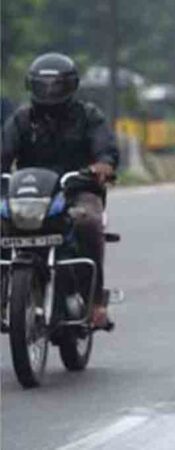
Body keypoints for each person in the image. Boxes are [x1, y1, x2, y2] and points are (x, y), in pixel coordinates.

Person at [2, 53, 119, 328]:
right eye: (44, 85)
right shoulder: (21, 120)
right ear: (32, 87)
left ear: (71, 86)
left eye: (57, 85)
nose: (50, 92)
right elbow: (3, 153)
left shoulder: (88, 116)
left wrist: (103, 165)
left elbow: (106, 149)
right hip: (30, 194)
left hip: (76, 190)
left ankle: (95, 303)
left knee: (88, 222)